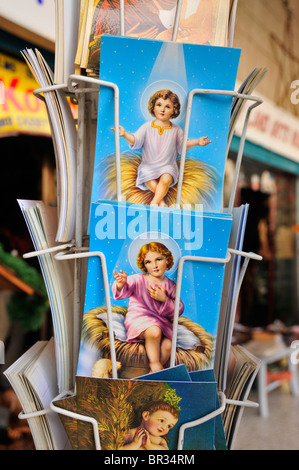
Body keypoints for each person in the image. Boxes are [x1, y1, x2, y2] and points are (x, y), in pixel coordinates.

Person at [113, 89, 211, 206]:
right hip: (148, 166)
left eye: (168, 107)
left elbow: (182, 145)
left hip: (168, 166)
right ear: (153, 107)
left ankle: (154, 203)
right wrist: (124, 134)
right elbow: (136, 140)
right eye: (159, 105)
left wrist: (197, 142)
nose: (163, 109)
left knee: (166, 178)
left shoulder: (176, 130)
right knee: (145, 175)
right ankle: (162, 201)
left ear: (174, 110)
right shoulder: (147, 127)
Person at [112, 242, 184, 372]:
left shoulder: (171, 285)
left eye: (159, 259)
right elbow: (123, 291)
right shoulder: (138, 279)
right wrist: (121, 284)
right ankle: (154, 364)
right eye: (148, 262)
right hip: (139, 319)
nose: (155, 265)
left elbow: (179, 308)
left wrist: (165, 299)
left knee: (168, 345)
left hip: (161, 322)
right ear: (144, 265)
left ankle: (152, 372)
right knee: (154, 331)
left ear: (167, 259)